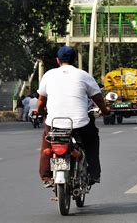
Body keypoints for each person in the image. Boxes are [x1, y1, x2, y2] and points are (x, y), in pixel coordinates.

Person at [36, 46, 110, 187]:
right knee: (92, 140)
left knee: (47, 142)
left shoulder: (49, 75)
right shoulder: (84, 75)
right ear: (75, 60)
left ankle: (46, 176)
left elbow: (41, 101)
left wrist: (41, 112)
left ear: (58, 60)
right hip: (80, 124)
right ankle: (94, 173)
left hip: (55, 123)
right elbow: (98, 98)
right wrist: (105, 111)